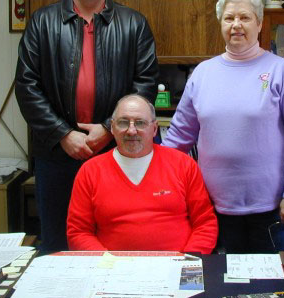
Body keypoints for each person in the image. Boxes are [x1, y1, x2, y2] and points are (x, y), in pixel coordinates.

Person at [15, 0, 159, 252]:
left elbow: (145, 85)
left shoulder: (134, 24)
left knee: (115, 238)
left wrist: (108, 128)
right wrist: (63, 133)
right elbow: (26, 85)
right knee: (57, 241)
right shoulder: (42, 22)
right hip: (57, 153)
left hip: (116, 150)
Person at [162, 0, 284, 253]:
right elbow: (178, 137)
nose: (236, 25)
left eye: (244, 17)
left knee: (269, 288)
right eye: (229, 18)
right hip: (212, 208)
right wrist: (155, 180)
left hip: (272, 209)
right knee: (219, 285)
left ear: (259, 23)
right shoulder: (202, 74)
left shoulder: (283, 72)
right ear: (220, 23)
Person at [67, 95, 218, 253]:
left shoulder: (183, 165)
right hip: (112, 271)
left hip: (177, 268)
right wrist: (107, 265)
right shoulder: (90, 171)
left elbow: (205, 224)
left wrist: (186, 263)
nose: (131, 131)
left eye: (140, 123)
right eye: (123, 122)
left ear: (154, 129)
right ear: (112, 127)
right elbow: (79, 232)